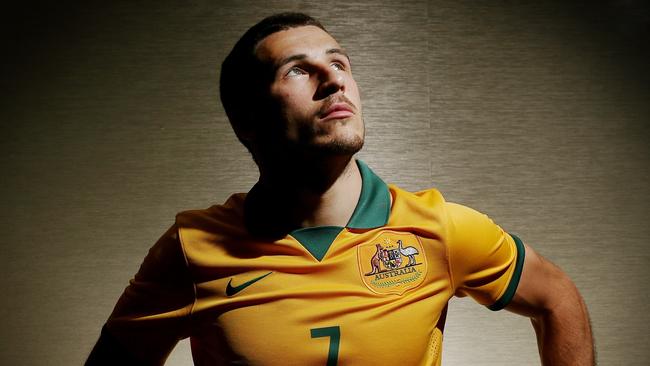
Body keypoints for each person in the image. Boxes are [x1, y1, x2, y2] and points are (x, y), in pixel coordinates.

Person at [86, 12, 594, 366]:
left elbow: (557, 299)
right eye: (298, 70)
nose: (333, 79)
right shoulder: (191, 248)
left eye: (340, 62)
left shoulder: (440, 227)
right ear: (247, 121)